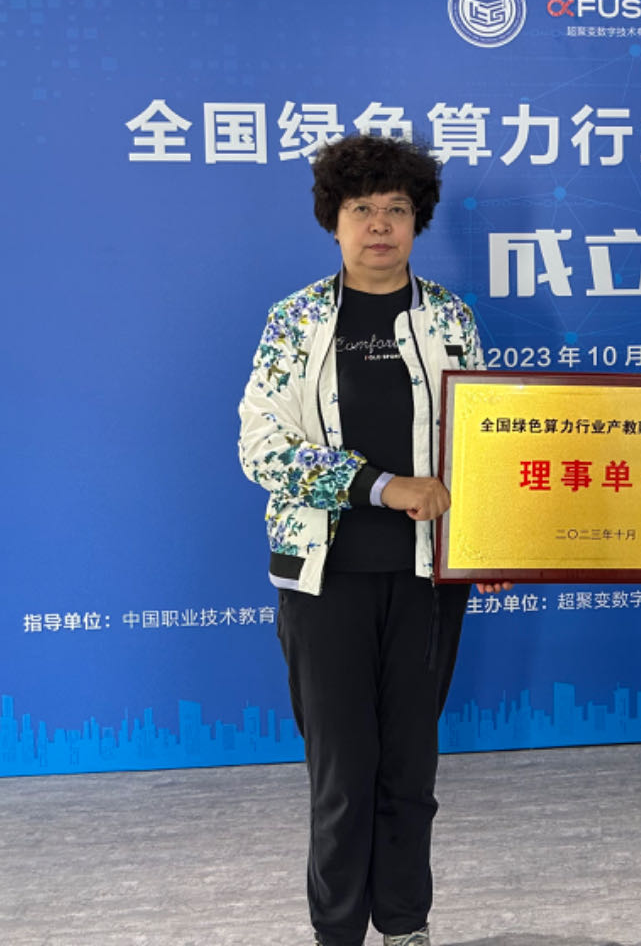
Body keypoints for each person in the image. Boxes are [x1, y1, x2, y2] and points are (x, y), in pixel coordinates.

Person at [238, 134, 505, 946]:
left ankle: (406, 924)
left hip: (428, 579)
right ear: (334, 220)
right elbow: (262, 448)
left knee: (410, 770)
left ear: (418, 221)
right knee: (342, 775)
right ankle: (338, 932)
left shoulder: (451, 318)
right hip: (325, 579)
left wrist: (492, 539)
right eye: (363, 209)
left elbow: (485, 442)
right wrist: (381, 487)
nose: (380, 225)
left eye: (397, 209)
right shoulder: (296, 320)